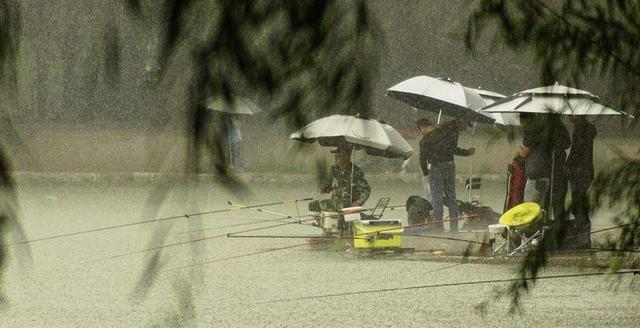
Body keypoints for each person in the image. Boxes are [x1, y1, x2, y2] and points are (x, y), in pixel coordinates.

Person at [515, 113, 570, 244]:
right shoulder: (549, 131)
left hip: (535, 175)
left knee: (530, 209)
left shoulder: (531, 132)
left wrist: (519, 152)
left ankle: (529, 239)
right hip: (548, 174)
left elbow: (524, 152)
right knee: (545, 208)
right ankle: (549, 237)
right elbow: (566, 144)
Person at [417, 118, 475, 233]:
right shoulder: (444, 133)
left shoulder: (424, 141)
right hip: (450, 166)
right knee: (451, 198)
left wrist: (426, 174)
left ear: (423, 127)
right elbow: (454, 149)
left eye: (420, 130)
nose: (421, 132)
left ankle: (438, 228)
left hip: (436, 168)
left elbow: (422, 159)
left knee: (437, 199)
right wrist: (467, 152)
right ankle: (454, 228)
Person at [565, 116, 597, 248]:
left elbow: (576, 151)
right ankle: (583, 236)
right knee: (580, 203)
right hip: (586, 172)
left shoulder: (580, 128)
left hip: (579, 172)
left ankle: (583, 238)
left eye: (570, 114)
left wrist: (567, 164)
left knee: (579, 204)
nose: (568, 117)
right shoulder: (587, 128)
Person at [308, 147, 371, 213]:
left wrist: (358, 203)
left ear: (346, 157)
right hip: (334, 203)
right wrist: (323, 188)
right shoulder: (333, 169)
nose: (335, 158)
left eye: (338, 156)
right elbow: (328, 185)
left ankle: (342, 220)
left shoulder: (355, 171)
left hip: (346, 205)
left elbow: (366, 189)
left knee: (342, 214)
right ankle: (321, 222)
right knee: (312, 205)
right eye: (335, 156)